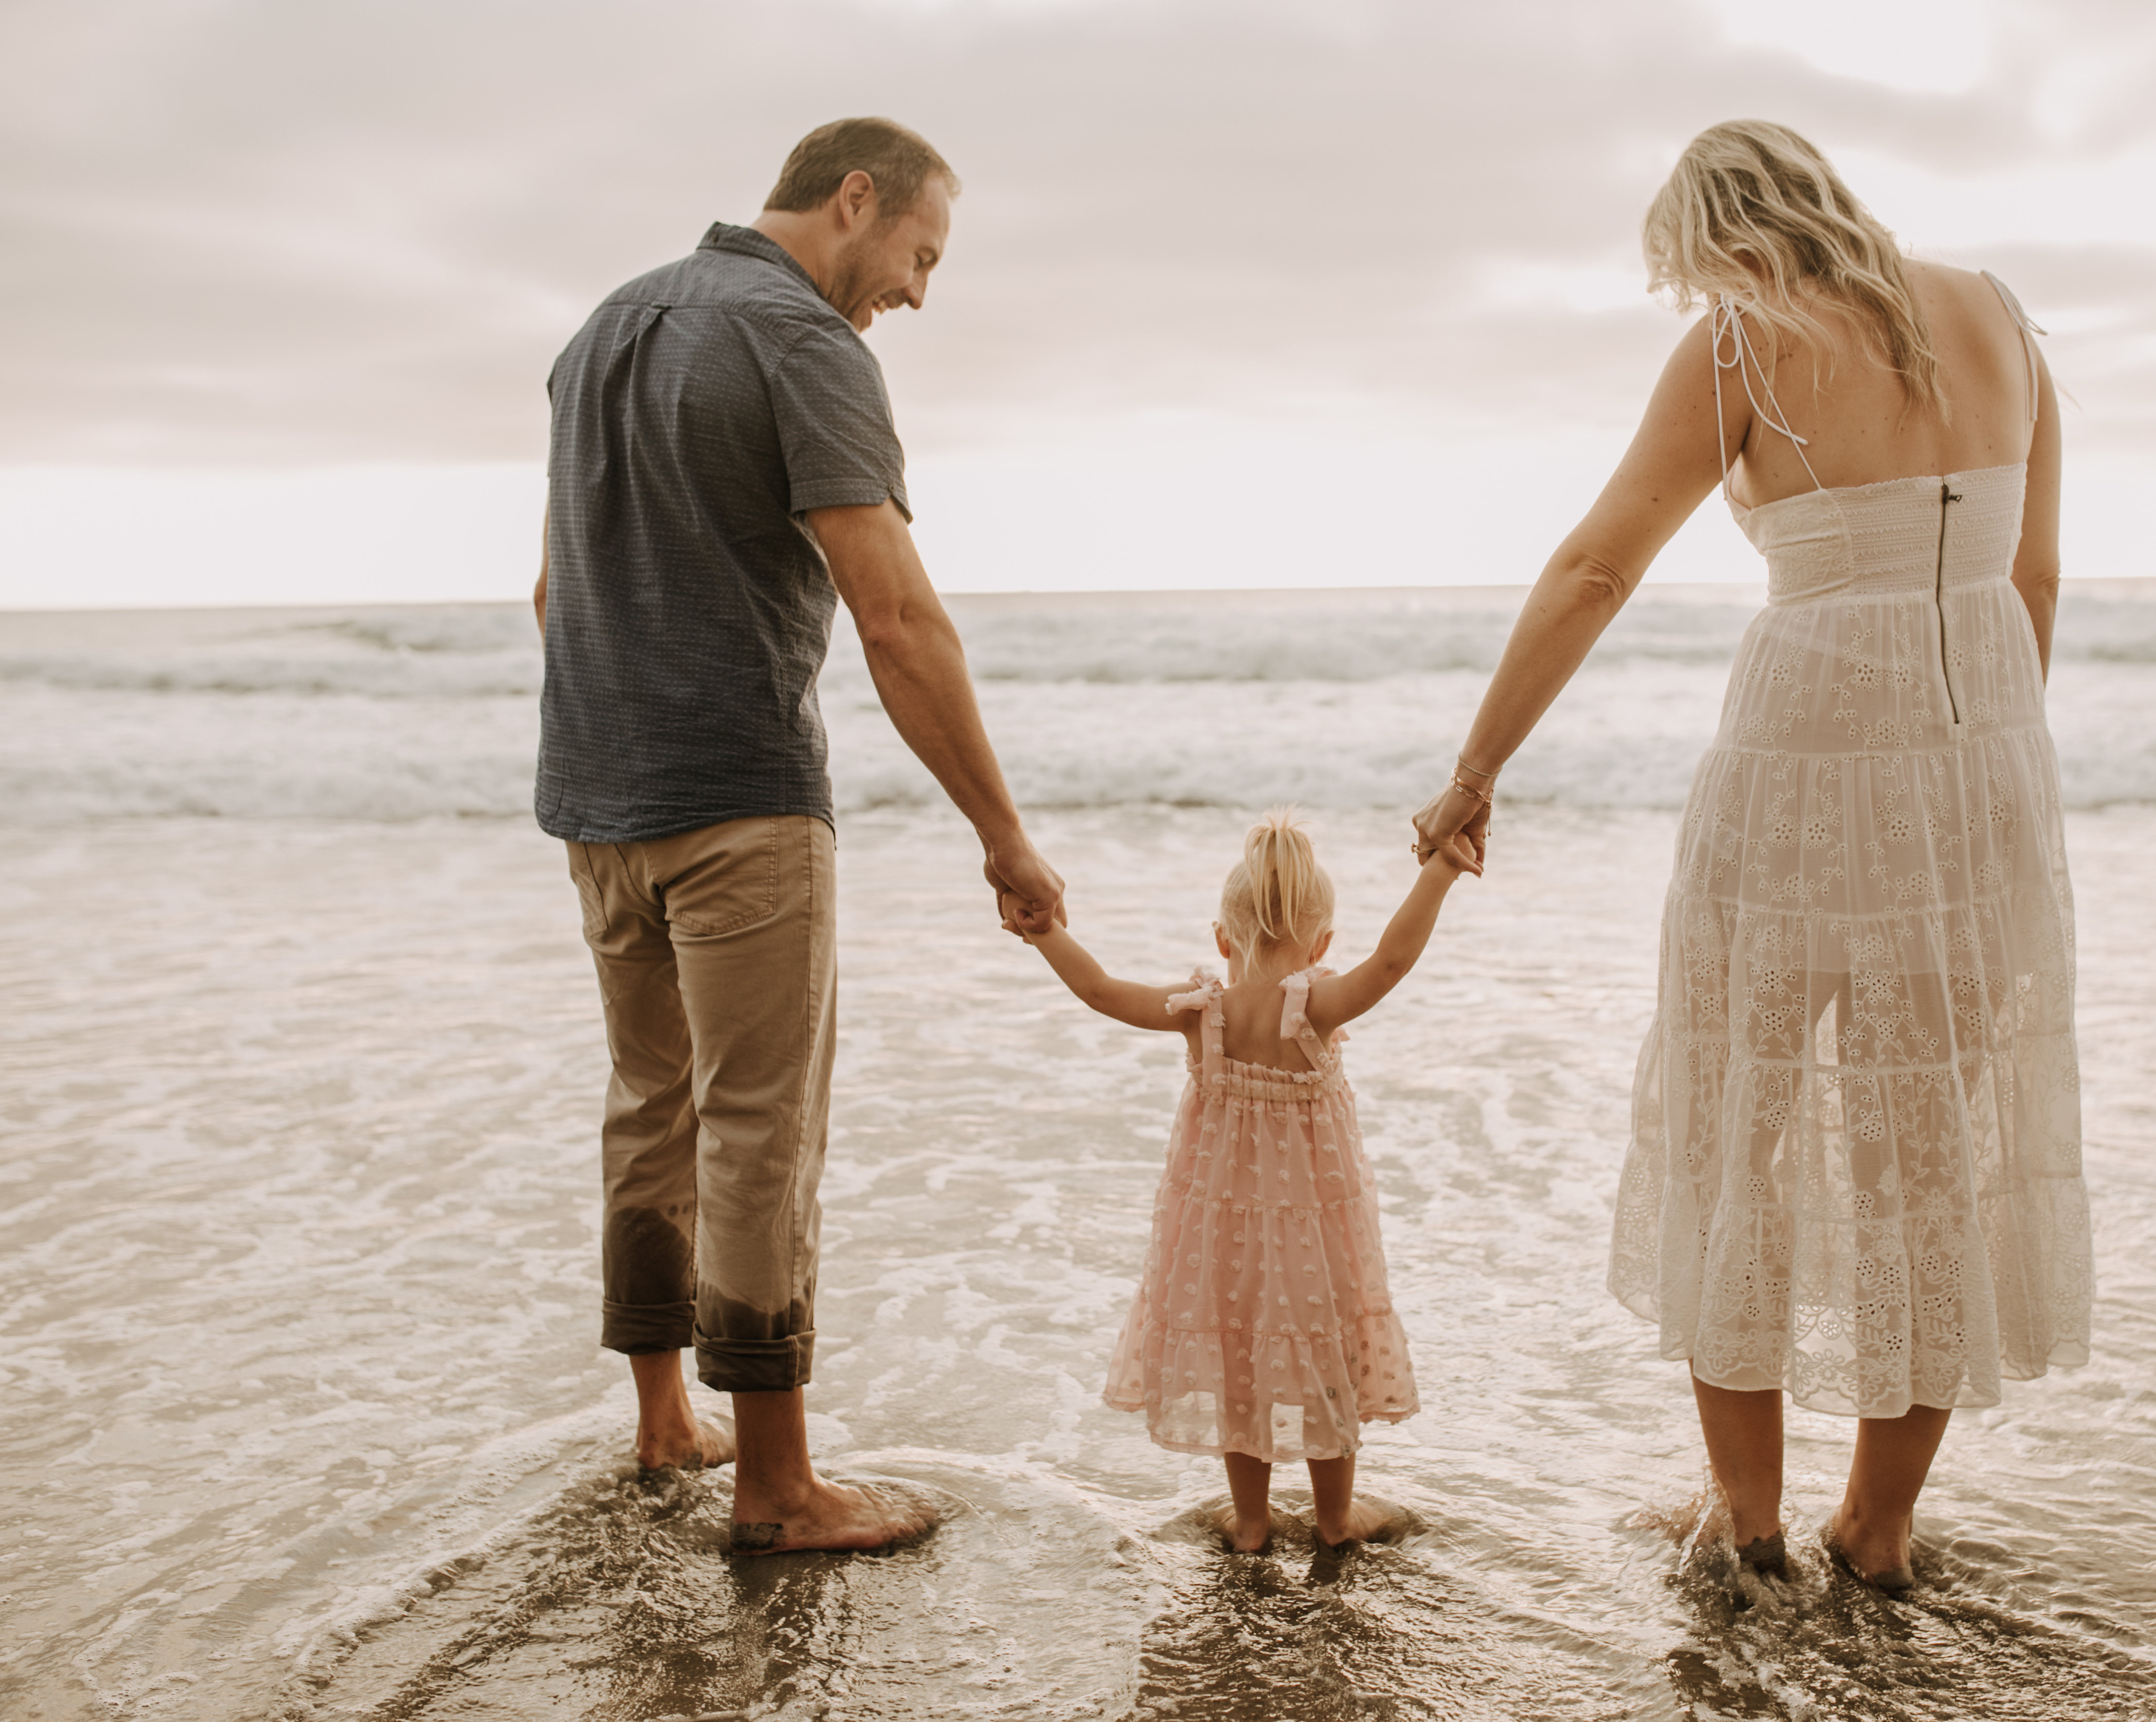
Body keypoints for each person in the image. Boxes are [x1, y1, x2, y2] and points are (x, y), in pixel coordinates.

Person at [1412, 119, 2091, 1593]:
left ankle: (1754, 1520)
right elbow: (2031, 578)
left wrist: (1476, 769)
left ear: (1720, 240)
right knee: (1928, 1159)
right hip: (1982, 786)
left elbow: (1600, 565)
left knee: (1743, 1131)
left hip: (1797, 785)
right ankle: (1884, 1527)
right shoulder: (2004, 317)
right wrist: (1987, 779)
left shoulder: (1741, 346)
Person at [532, 117, 1065, 1555]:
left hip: (595, 796)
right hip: (741, 798)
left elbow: (550, 590)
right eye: (920, 252)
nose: (917, 289)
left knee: (652, 1102)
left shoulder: (603, 330)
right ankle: (776, 1488)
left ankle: (663, 1424)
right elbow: (894, 615)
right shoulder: (804, 345)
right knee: (763, 1133)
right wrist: (1004, 836)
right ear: (854, 200)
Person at [1016, 809, 1473, 1551]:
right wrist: (1441, 870)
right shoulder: (1315, 1009)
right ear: (1323, 945)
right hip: (1315, 1225)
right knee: (1325, 1349)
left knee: (1236, 1348)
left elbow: (1099, 989)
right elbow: (1390, 962)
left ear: (1222, 940)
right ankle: (1333, 1519)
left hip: (1218, 1226)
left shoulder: (1203, 1013)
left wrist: (1045, 931)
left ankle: (1254, 1524)